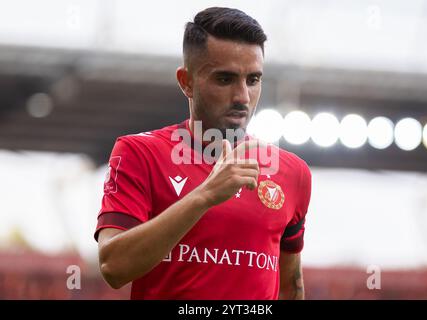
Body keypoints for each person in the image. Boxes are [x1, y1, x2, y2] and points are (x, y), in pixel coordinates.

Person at [95, 7, 312, 300]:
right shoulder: (140, 153)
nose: (242, 97)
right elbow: (113, 266)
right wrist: (205, 194)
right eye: (225, 79)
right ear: (186, 81)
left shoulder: (293, 173)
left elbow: (289, 285)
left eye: (253, 80)